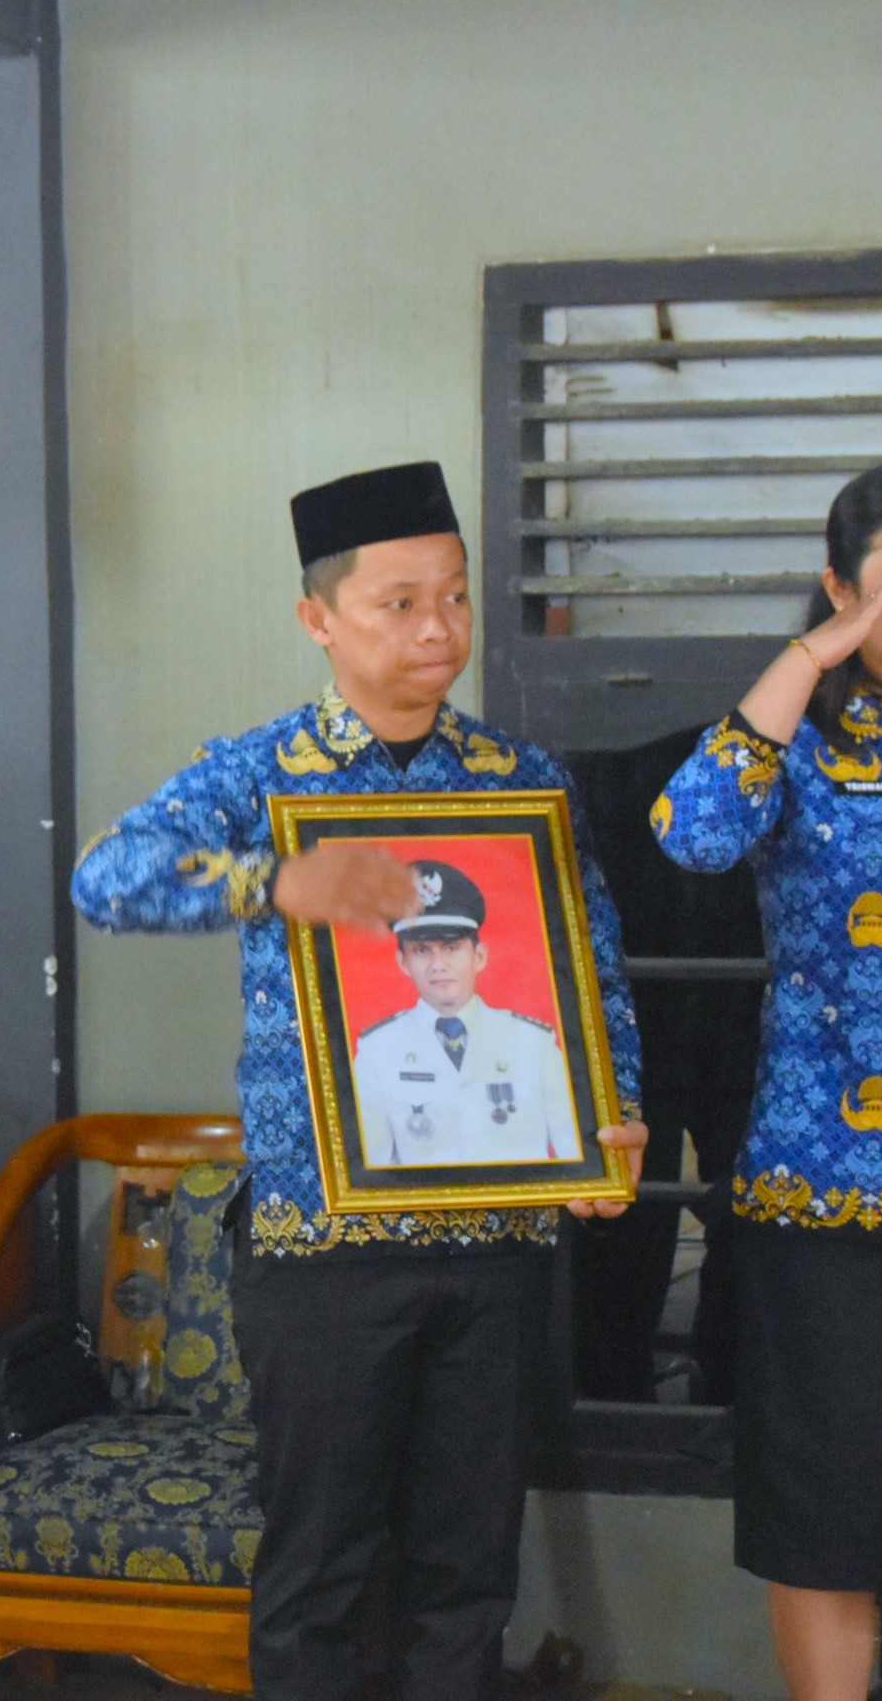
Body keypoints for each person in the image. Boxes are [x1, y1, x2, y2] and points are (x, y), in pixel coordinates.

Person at [71, 460, 646, 1700]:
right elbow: (105, 876)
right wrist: (273, 880)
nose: (437, 627)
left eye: (453, 596)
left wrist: (613, 1120)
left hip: (493, 1237)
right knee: (317, 1570)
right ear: (317, 618)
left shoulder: (519, 779)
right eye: (398, 602)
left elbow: (588, 967)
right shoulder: (261, 772)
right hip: (323, 1248)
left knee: (467, 1574)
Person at [655, 460, 882, 1701]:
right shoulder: (796, 733)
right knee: (826, 1511)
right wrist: (808, 659)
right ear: (840, 585)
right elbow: (691, 830)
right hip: (827, 1193)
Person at [350, 860, 582, 1168]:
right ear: (403, 962)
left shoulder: (533, 1042)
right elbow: (372, 1170)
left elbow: (577, 1155)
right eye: (422, 950)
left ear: (479, 956)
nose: (438, 965)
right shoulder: (377, 1050)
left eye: (452, 947)